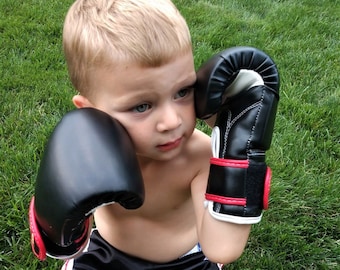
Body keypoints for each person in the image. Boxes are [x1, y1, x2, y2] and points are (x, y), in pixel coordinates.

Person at [29, 0, 280, 269]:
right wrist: (61, 225)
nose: (172, 122)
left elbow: (222, 249)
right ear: (91, 111)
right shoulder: (90, 154)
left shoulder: (197, 155)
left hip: (186, 261)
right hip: (105, 253)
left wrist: (237, 149)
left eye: (182, 91)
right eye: (141, 106)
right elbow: (61, 243)